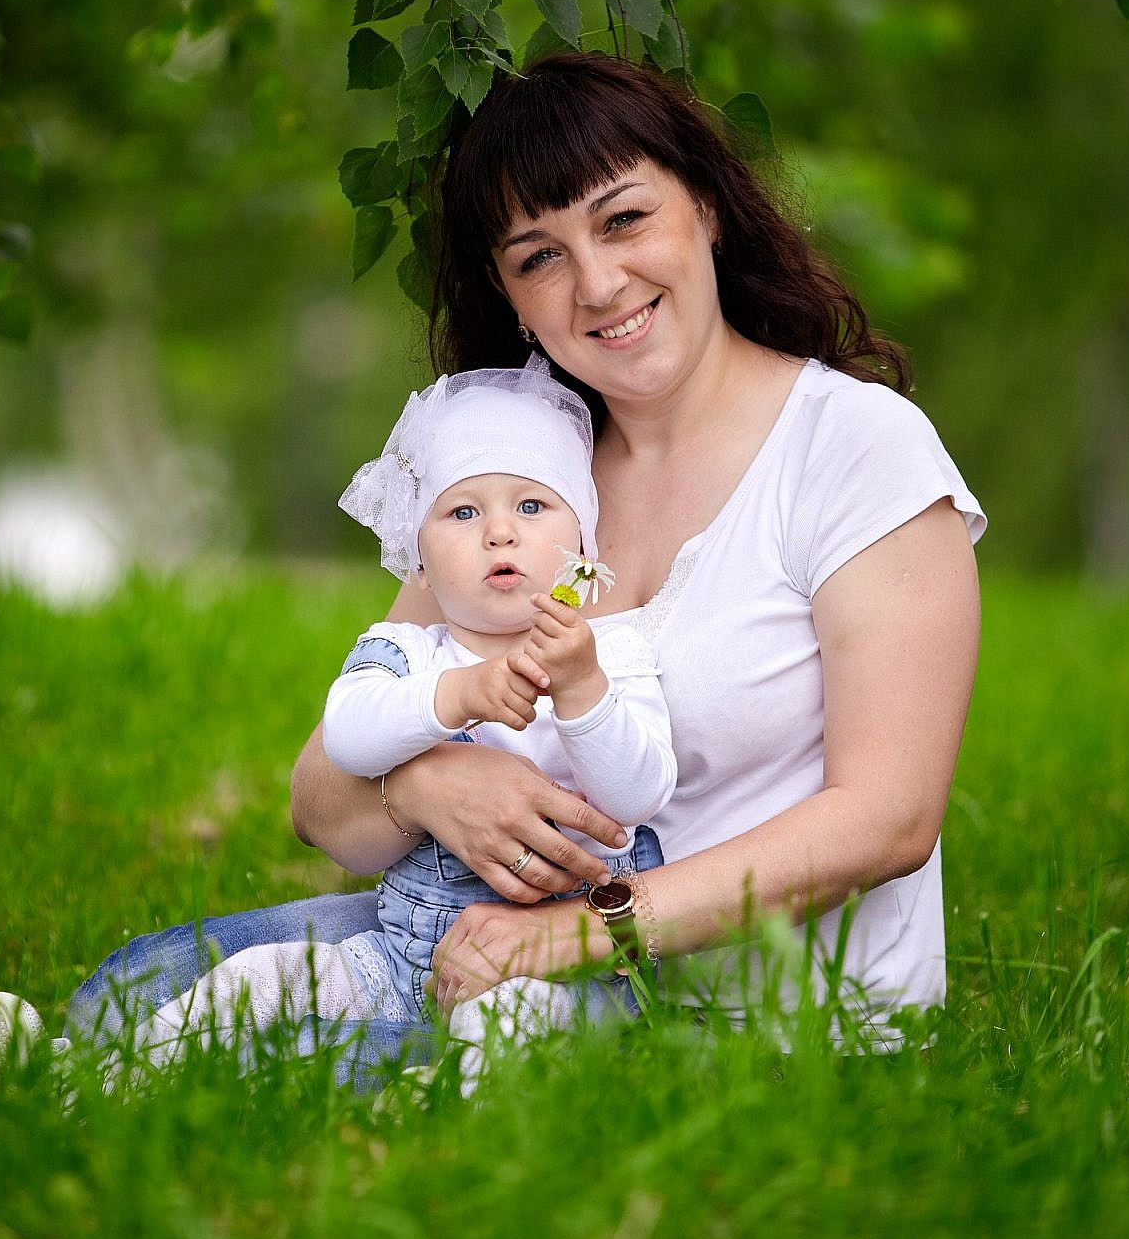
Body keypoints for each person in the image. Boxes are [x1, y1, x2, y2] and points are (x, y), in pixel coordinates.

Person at [50, 50, 985, 1086]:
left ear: (709, 209)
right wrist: (426, 784)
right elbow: (320, 800)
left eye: (623, 220)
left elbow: (888, 818)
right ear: (508, 295)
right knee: (148, 981)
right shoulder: (520, 480)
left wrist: (581, 931)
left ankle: (58, 1091)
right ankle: (40, 1083)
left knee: (264, 1055)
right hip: (490, 946)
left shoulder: (853, 447)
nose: (598, 283)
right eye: (539, 256)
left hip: (753, 1021)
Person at [38, 356, 678, 1094]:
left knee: (511, 1022)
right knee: (255, 977)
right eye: (462, 513)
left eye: (533, 507)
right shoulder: (407, 651)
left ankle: (436, 1101)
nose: (500, 533)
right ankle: (88, 1075)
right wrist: (457, 695)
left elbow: (638, 795)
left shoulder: (611, 654)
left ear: (583, 547)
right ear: (419, 562)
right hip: (402, 956)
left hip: (566, 972)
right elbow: (348, 736)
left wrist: (582, 692)